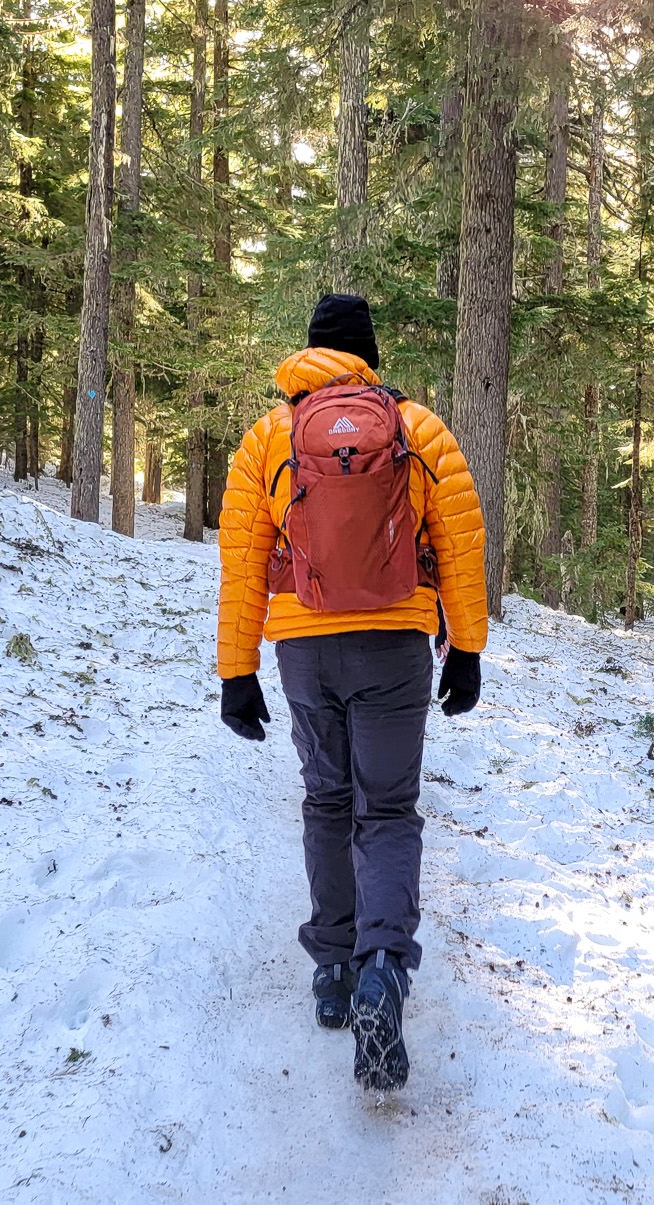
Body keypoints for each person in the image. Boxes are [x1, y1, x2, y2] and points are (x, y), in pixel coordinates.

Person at [215, 292, 488, 1093]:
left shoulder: (269, 439)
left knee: (326, 800)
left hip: (304, 645)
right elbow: (461, 546)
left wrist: (236, 671)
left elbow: (241, 562)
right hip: (396, 642)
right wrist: (465, 648)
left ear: (309, 354)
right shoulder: (418, 429)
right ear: (369, 354)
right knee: (389, 809)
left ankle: (333, 972)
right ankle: (383, 970)